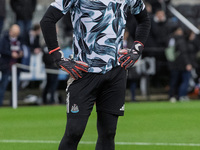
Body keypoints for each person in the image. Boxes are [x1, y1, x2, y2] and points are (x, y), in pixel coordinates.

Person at [40, 0, 150, 149]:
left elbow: (144, 19)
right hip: (83, 72)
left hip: (115, 72)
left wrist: (137, 49)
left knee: (109, 133)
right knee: (74, 132)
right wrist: (58, 57)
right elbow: (47, 20)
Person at [0, 24, 23, 106]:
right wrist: (10, 54)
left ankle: (13, 103)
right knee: (3, 85)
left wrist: (20, 53)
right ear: (11, 31)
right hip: (6, 65)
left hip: (16, 66)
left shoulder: (19, 39)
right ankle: (0, 104)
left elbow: (22, 48)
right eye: (15, 33)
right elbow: (2, 50)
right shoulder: (4, 39)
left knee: (15, 86)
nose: (16, 34)